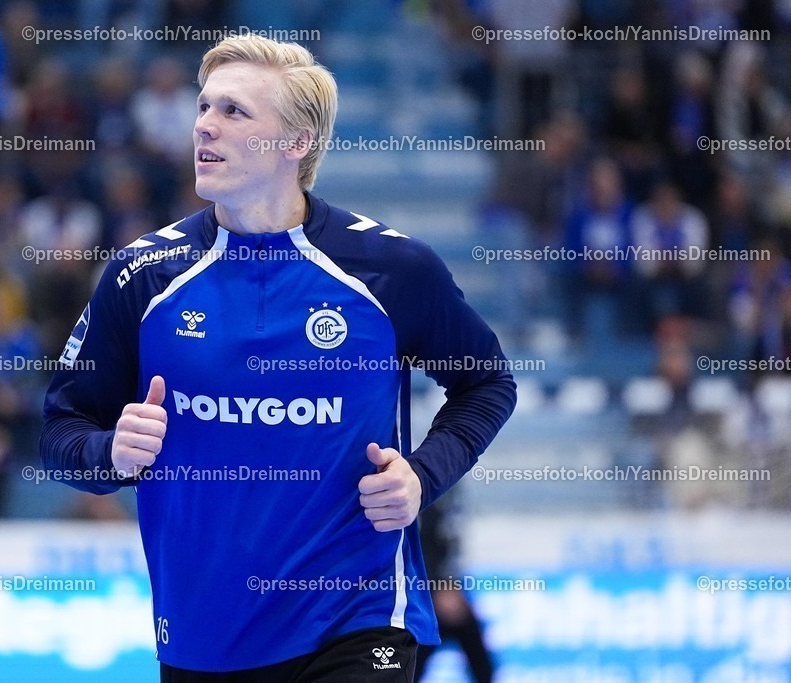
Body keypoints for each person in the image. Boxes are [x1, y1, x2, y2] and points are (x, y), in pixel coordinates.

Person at [41, 35, 516, 681]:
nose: (204, 125)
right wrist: (111, 453)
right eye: (203, 107)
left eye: (234, 112)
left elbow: (487, 383)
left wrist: (422, 476)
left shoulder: (390, 268)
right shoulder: (141, 277)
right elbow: (62, 432)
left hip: (357, 618)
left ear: (296, 143)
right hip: (204, 636)